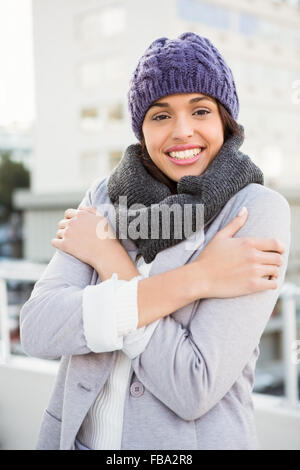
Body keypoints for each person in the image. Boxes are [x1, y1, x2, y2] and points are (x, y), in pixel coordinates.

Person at [20, 32, 290, 450]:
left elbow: (192, 387)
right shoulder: (105, 197)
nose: (182, 132)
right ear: (141, 127)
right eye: (160, 116)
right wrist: (199, 278)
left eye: (200, 110)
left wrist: (111, 261)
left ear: (225, 121)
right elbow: (39, 329)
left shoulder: (256, 209)